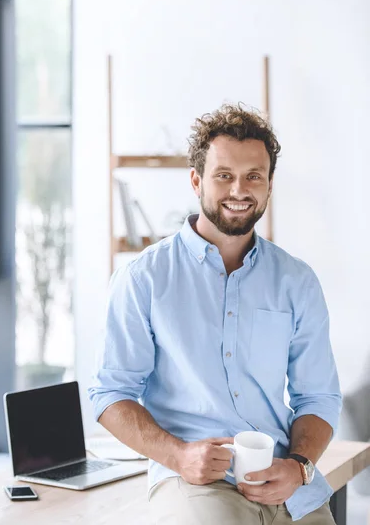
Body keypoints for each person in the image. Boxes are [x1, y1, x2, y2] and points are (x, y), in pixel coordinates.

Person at [88, 103, 342, 524]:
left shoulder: (297, 281)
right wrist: (179, 455)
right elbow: (110, 392)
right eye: (224, 175)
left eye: (253, 176)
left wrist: (298, 466)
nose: (239, 191)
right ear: (196, 180)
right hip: (194, 481)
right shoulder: (143, 278)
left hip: (287, 481)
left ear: (269, 184)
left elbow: (318, 395)